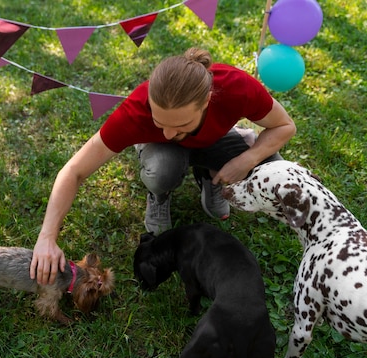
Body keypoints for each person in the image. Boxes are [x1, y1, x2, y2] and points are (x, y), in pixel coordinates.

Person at [31, 47, 296, 285]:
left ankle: (210, 176)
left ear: (206, 101)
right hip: (164, 155)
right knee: (160, 170)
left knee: (274, 168)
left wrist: (246, 159)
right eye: (160, 122)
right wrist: (47, 236)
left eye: (180, 125)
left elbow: (285, 126)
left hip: (217, 139)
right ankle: (160, 194)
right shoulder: (135, 111)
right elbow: (74, 170)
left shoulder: (236, 86)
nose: (169, 133)